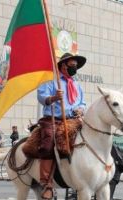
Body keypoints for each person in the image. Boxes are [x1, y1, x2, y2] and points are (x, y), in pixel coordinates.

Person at [37, 53, 87, 199]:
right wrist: (53, 98)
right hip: (54, 119)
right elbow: (41, 97)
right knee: (48, 145)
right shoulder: (51, 80)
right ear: (63, 65)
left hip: (73, 120)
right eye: (72, 65)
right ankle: (46, 184)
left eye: (76, 66)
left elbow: (83, 102)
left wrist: (81, 109)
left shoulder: (77, 84)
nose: (75, 68)